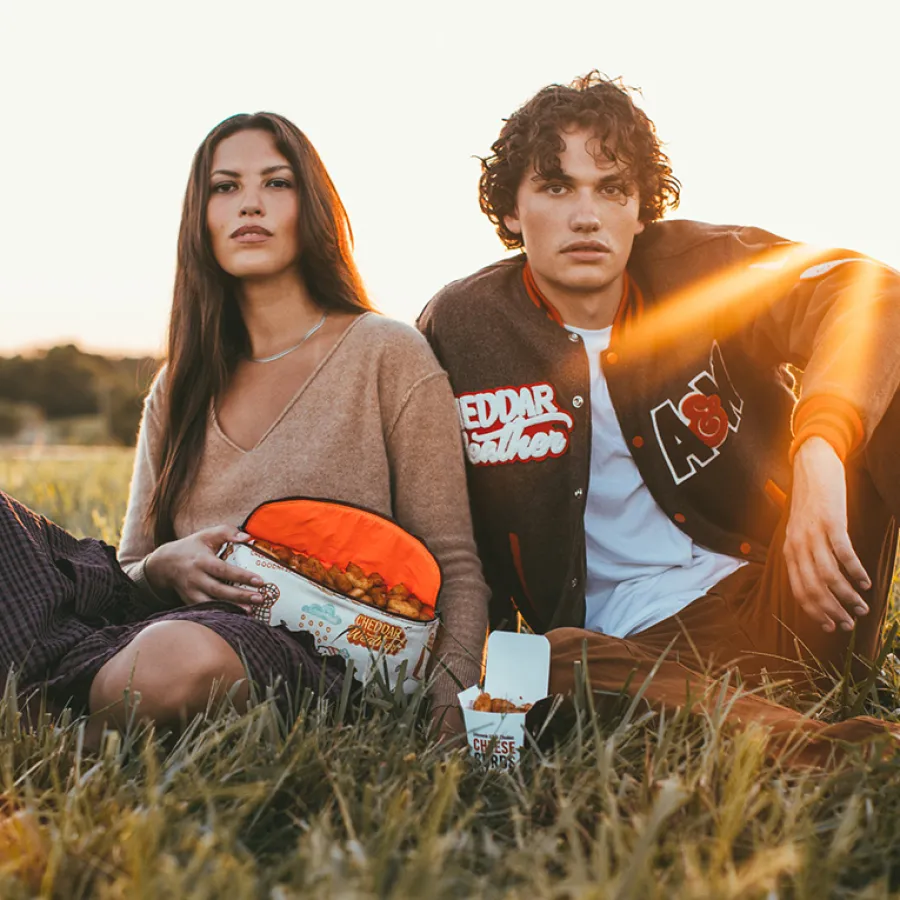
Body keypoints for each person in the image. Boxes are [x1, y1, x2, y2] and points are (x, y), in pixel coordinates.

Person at [418, 72, 900, 764]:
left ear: (641, 209)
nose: (587, 216)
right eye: (556, 187)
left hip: (797, 596)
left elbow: (871, 294)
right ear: (512, 211)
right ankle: (847, 755)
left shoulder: (701, 270)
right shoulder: (461, 328)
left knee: (888, 371)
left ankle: (780, 737)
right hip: (621, 655)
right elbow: (432, 513)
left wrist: (820, 449)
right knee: (537, 664)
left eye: (611, 189)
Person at [0, 112, 488, 736]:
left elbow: (456, 566)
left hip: (309, 656)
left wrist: (447, 716)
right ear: (200, 220)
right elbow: (128, 572)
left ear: (310, 208)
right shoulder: (179, 385)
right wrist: (164, 567)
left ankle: (60, 727)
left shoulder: (386, 353)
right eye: (225, 187)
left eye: (276, 183)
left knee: (180, 657)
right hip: (145, 628)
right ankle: (77, 702)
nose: (249, 203)